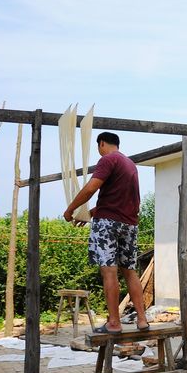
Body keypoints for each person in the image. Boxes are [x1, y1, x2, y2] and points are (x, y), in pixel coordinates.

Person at [63, 131, 148, 334]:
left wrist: (70, 209)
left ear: (101, 144)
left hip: (108, 225)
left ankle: (114, 323)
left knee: (108, 271)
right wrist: (91, 213)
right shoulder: (130, 165)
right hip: (129, 224)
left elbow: (91, 188)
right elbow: (116, 199)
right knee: (130, 271)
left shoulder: (107, 160)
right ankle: (142, 320)